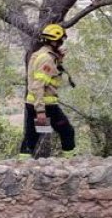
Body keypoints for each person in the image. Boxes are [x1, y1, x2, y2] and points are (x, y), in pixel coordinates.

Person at [19, 23, 76, 159]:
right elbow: (38, 85)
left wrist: (59, 60)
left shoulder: (41, 54)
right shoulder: (47, 58)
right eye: (61, 40)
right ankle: (70, 162)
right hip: (46, 105)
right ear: (55, 41)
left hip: (33, 103)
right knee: (67, 132)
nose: (62, 43)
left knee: (31, 137)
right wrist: (40, 111)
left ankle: (22, 165)